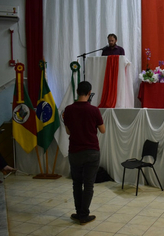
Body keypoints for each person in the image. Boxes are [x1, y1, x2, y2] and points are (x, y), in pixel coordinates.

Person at [64, 81, 106, 225]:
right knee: (88, 185)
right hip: (91, 151)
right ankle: (84, 215)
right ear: (89, 93)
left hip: (75, 151)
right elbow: (102, 130)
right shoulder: (94, 110)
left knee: (76, 183)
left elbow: (68, 131)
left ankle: (78, 212)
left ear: (77, 91)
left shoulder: (68, 110)